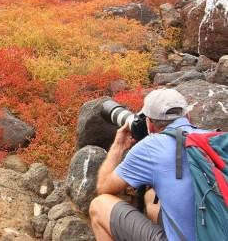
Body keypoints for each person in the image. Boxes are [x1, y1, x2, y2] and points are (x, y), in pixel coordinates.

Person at [89, 88, 207, 241]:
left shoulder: (150, 147)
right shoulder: (214, 139)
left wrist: (118, 146)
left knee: (99, 205)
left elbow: (103, 187)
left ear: (150, 124)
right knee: (152, 197)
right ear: (188, 117)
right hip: (216, 231)